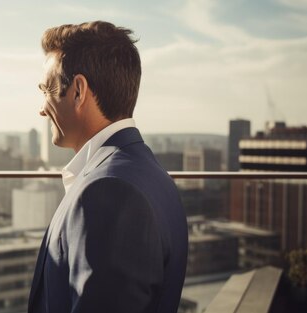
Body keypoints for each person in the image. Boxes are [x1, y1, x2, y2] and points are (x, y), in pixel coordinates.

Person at [27, 21, 188, 312]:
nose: (41, 108)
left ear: (78, 91)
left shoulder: (108, 192)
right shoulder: (151, 173)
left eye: (47, 89)